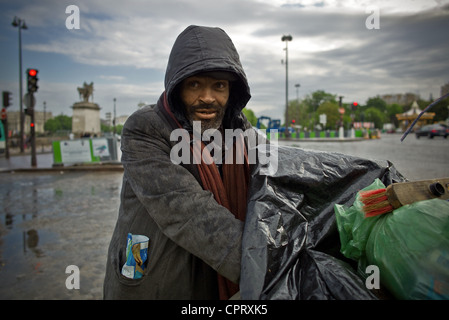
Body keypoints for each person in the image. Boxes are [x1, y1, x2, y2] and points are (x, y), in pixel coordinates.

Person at [103, 25, 253, 300]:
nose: (208, 97)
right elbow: (189, 213)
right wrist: (269, 265)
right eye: (194, 84)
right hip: (157, 281)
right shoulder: (145, 129)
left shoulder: (240, 130)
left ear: (232, 90)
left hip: (217, 278)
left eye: (219, 85)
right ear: (176, 85)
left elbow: (279, 180)